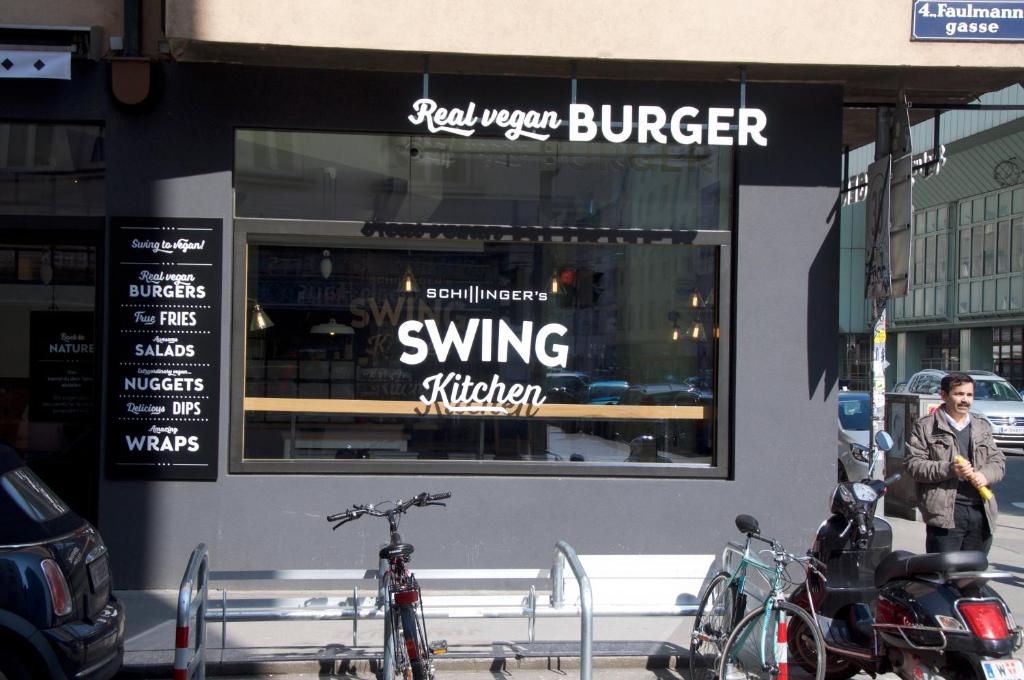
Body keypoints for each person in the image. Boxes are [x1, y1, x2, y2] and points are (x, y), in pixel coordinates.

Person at [905, 372, 1005, 554]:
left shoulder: (982, 426)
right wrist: (949, 469)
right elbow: (913, 465)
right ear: (943, 395)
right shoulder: (926, 426)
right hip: (945, 515)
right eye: (959, 394)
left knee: (974, 569)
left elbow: (998, 461)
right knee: (943, 569)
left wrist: (985, 475)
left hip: (981, 511)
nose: (965, 400)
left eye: (969, 395)